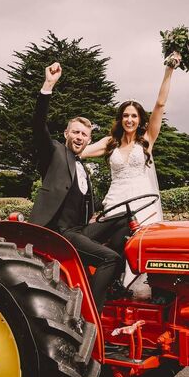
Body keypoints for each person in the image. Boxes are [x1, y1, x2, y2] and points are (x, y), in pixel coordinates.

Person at [30, 62, 130, 312]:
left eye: (84, 135)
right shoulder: (54, 153)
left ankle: (109, 283)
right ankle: (90, 313)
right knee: (111, 259)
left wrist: (98, 215)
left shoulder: (82, 167)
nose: (79, 137)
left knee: (124, 219)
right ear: (66, 133)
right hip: (59, 232)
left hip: (80, 229)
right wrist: (48, 85)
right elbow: (38, 125)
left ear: (88, 139)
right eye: (75, 132)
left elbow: (83, 203)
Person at [82, 51, 181, 227]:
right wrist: (72, 136)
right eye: (125, 115)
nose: (129, 120)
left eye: (134, 116)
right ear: (120, 119)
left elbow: (160, 104)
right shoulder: (109, 142)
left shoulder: (147, 140)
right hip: (116, 200)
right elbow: (80, 152)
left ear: (140, 119)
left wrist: (169, 70)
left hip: (141, 200)